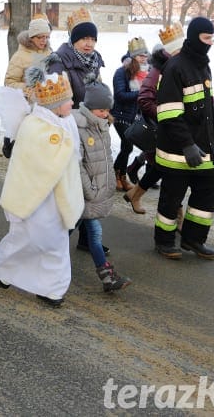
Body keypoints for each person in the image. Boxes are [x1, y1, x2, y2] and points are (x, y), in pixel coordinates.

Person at [0, 55, 84, 307]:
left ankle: (52, 289)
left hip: (60, 197)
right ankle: (2, 267)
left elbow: (74, 154)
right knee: (28, 240)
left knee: (57, 243)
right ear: (55, 104)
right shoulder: (34, 125)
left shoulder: (68, 121)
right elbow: (33, 162)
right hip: (35, 198)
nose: (72, 103)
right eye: (68, 100)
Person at [154, 16, 214, 260]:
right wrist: (187, 144)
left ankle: (194, 239)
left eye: (212, 38)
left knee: (207, 192)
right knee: (172, 198)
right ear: (193, 38)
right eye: (206, 38)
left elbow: (205, 104)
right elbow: (169, 114)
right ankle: (164, 241)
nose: (210, 43)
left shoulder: (204, 65)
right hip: (178, 150)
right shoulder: (174, 67)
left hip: (203, 147)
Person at [48, 7, 107, 254]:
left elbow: (97, 93)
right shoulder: (59, 62)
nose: (89, 43)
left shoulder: (94, 61)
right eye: (84, 38)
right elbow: (54, 101)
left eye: (92, 39)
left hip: (91, 132)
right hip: (70, 131)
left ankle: (85, 238)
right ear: (73, 40)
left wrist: (104, 111)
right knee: (76, 187)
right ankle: (55, 241)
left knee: (90, 185)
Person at [71, 78, 132, 293]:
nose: (105, 113)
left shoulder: (102, 126)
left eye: (107, 109)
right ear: (88, 106)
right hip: (82, 193)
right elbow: (76, 164)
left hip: (94, 194)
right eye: (100, 109)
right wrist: (90, 190)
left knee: (92, 235)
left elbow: (105, 160)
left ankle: (107, 277)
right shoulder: (78, 126)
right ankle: (40, 263)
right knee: (65, 234)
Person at [124, 23, 185, 215]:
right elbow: (144, 98)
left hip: (179, 127)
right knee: (171, 171)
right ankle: (176, 215)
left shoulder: (183, 67)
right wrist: (165, 114)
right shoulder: (159, 70)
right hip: (165, 127)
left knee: (161, 167)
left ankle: (135, 194)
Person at [2, 13, 52, 157]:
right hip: (26, 109)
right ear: (32, 37)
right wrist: (26, 89)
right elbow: (9, 82)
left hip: (46, 107)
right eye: (40, 37)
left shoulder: (49, 53)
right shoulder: (20, 56)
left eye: (46, 37)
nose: (44, 40)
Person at [111, 37, 149, 192]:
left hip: (135, 116)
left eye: (146, 56)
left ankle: (121, 176)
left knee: (127, 147)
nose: (144, 59)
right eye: (141, 56)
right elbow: (120, 95)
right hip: (120, 116)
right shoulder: (121, 72)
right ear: (133, 57)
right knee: (127, 146)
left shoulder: (145, 73)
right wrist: (141, 94)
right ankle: (117, 175)